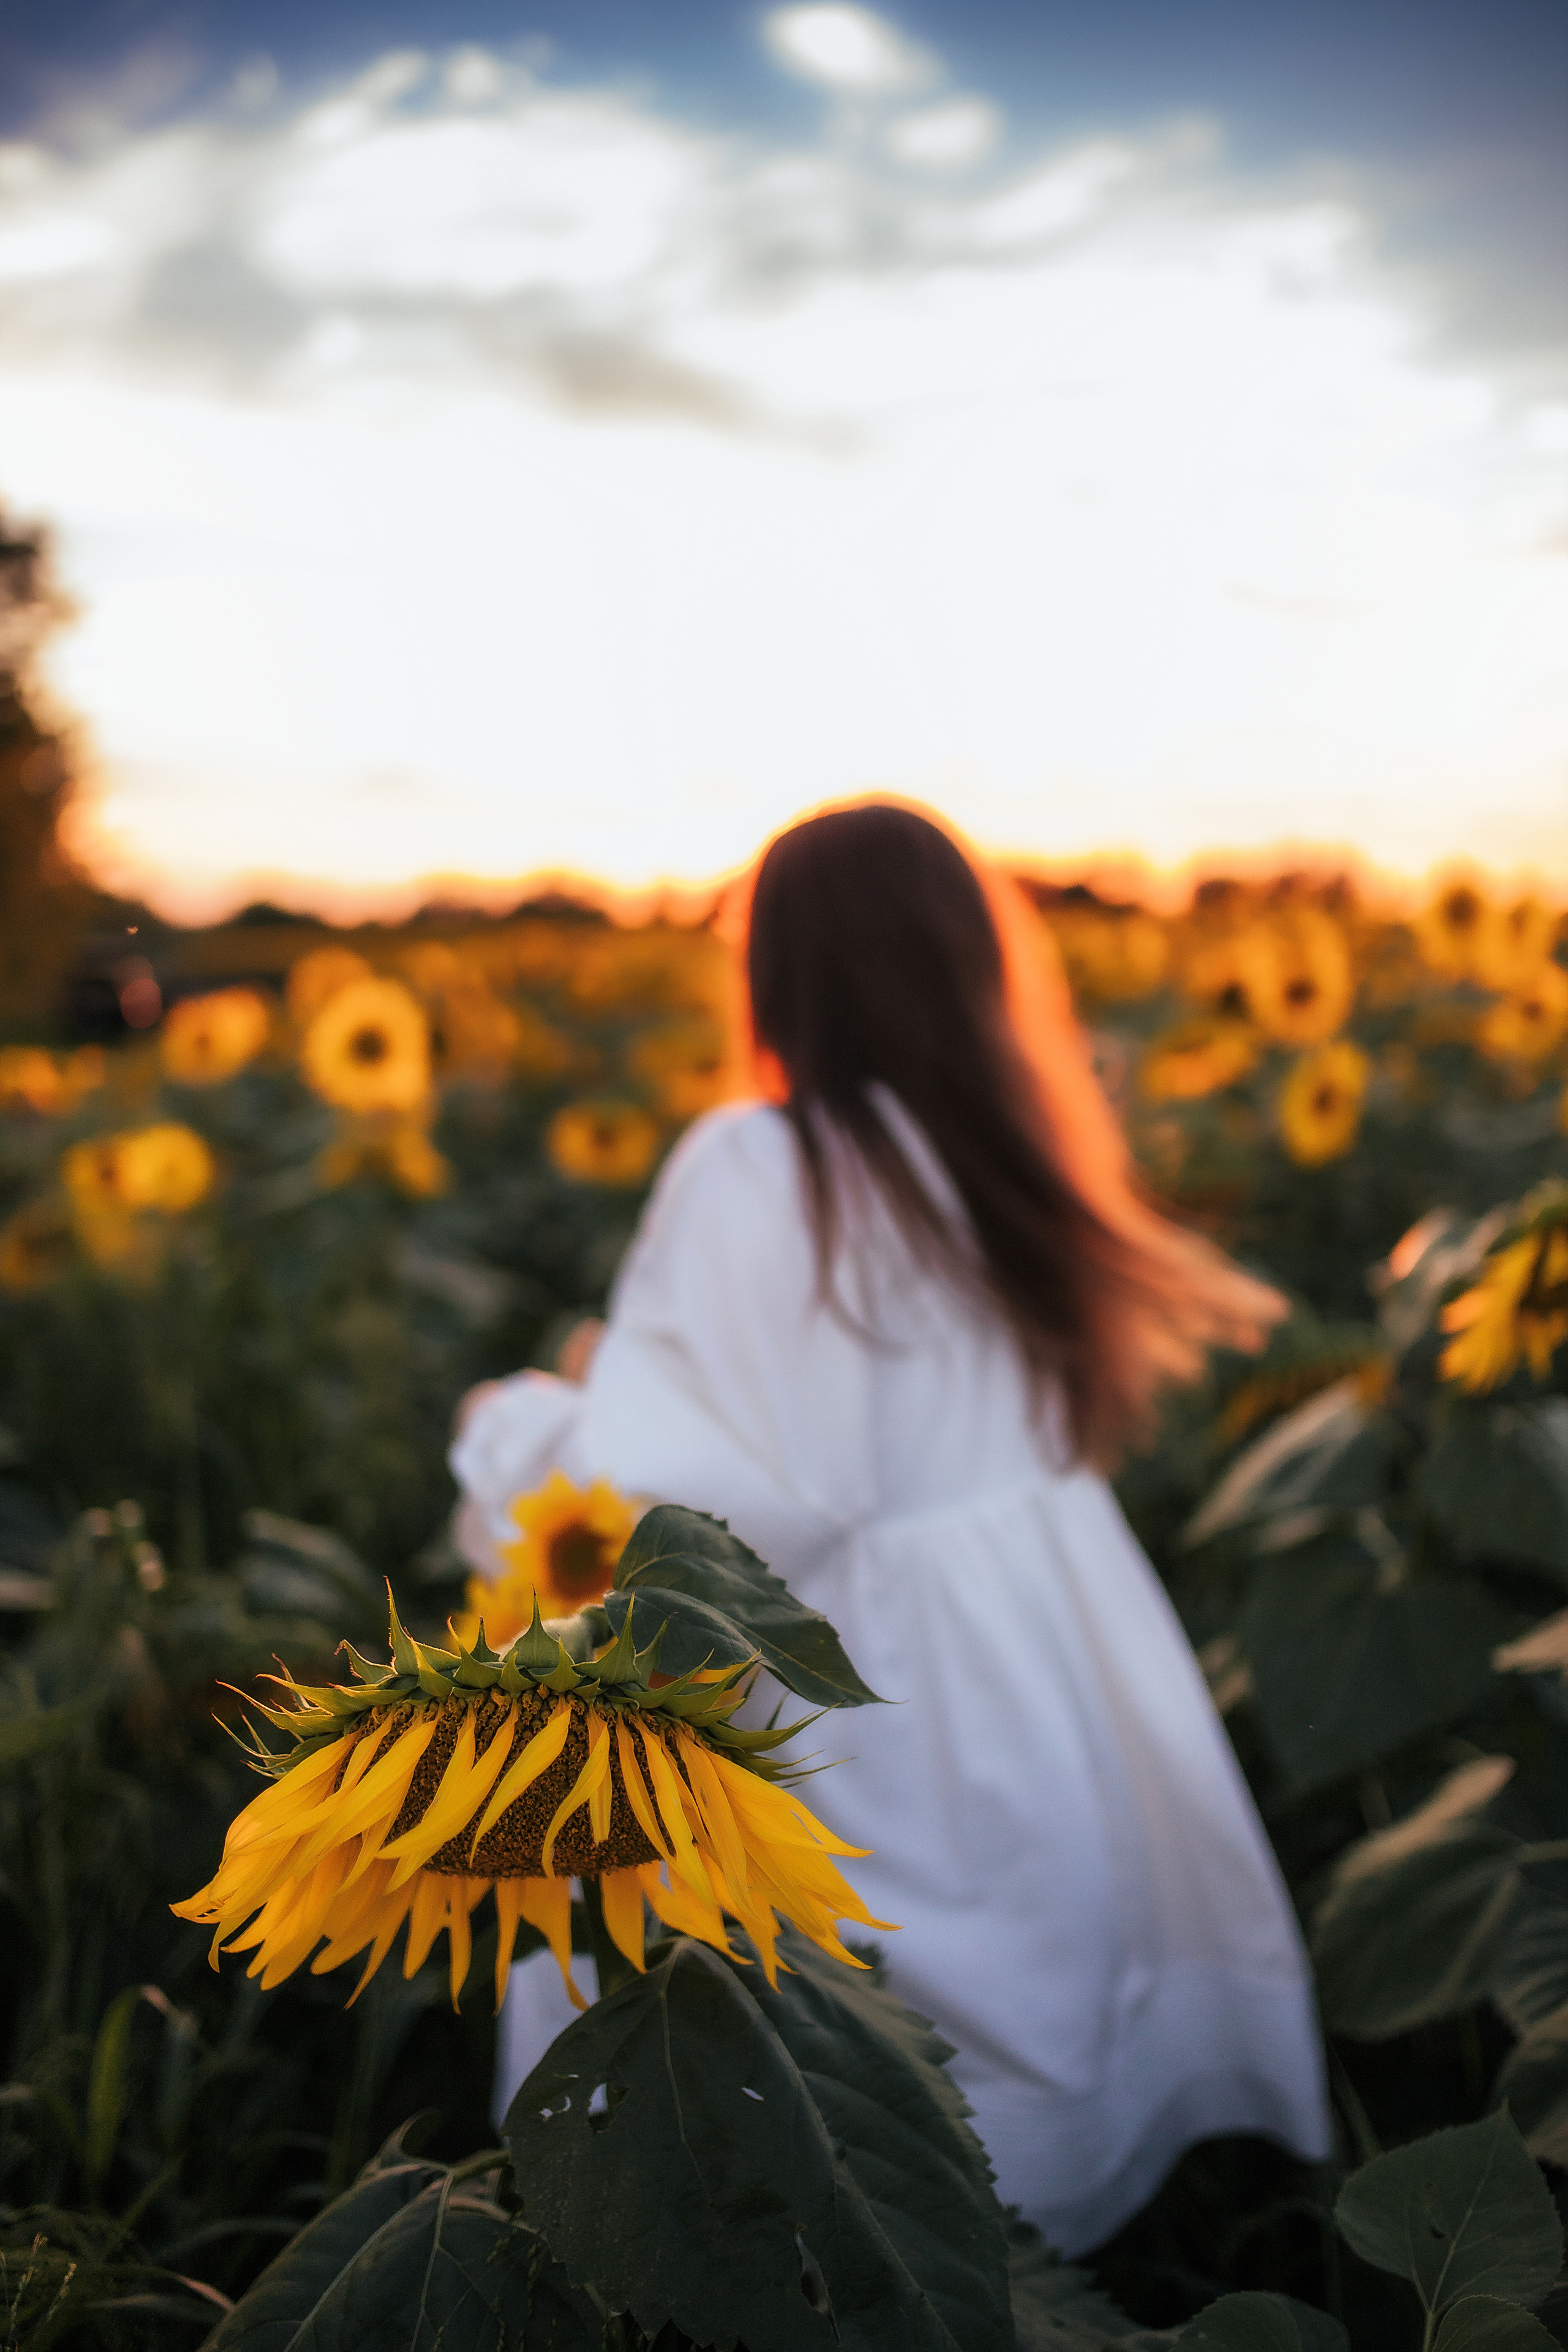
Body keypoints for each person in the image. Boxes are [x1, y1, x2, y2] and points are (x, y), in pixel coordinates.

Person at [449, 801, 1330, 2255]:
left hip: (853, 1690)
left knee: (844, 2116)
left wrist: (509, 1427)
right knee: (1037, 2024)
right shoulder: (1002, 1157)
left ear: (780, 970)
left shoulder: (759, 1165)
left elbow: (689, 1501)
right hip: (1031, 1673)